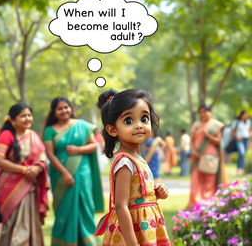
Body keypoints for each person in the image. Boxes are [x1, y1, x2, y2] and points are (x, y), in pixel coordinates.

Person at [96, 89, 172, 246]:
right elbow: (120, 205)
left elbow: (136, 195)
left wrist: (156, 192)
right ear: (112, 130)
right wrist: (132, 243)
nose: (139, 125)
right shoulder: (125, 162)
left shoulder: (139, 159)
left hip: (147, 228)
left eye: (144, 118)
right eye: (129, 121)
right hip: (132, 233)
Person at [43, 96, 104, 246]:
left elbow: (94, 145)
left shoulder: (82, 126)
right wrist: (65, 173)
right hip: (60, 174)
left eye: (66, 107)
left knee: (85, 206)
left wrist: (78, 149)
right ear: (54, 112)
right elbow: (50, 153)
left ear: (71, 109)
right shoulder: (50, 130)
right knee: (64, 210)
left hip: (83, 173)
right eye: (60, 108)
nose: (64, 111)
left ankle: (88, 242)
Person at [0, 103, 49, 246]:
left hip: (30, 186)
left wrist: (37, 169)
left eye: (29, 115)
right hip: (9, 188)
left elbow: (42, 158)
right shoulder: (6, 135)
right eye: (23, 116)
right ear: (13, 120)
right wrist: (25, 170)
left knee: (29, 223)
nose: (27, 118)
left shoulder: (33, 135)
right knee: (13, 224)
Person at [187, 104, 225, 209]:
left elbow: (218, 141)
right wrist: (193, 151)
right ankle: (195, 204)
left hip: (210, 156)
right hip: (197, 156)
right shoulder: (196, 124)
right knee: (196, 180)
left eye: (205, 111)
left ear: (210, 112)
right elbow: (192, 140)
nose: (203, 114)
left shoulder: (216, 125)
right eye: (201, 112)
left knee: (209, 181)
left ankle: (208, 204)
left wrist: (207, 135)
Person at [231, 110, 252, 175]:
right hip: (239, 139)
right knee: (241, 153)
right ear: (241, 115)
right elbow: (232, 131)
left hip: (246, 139)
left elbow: (250, 130)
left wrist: (249, 135)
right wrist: (237, 137)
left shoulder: (248, 122)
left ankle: (241, 169)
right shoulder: (236, 122)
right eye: (244, 115)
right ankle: (239, 169)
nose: (245, 116)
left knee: (243, 154)